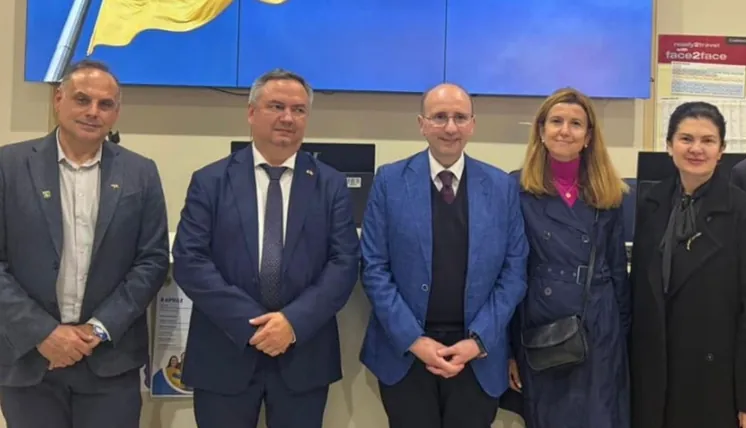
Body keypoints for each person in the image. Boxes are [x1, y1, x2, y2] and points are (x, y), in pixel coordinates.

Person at [172, 69, 360, 428]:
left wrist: (292, 323)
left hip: (302, 354)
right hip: (225, 351)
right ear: (251, 112)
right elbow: (190, 261)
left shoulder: (330, 184)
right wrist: (254, 326)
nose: (288, 118)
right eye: (276, 106)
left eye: (298, 110)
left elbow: (344, 263)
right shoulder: (211, 181)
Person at [0, 59, 170, 428]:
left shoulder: (141, 172)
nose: (93, 112)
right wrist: (43, 332)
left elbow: (152, 260)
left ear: (116, 113)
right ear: (58, 100)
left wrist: (98, 328)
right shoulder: (8, 166)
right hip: (29, 359)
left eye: (105, 104)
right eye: (82, 99)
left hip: (109, 360)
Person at [359, 83, 529, 428]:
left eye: (459, 117)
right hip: (407, 354)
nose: (450, 127)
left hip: (477, 357)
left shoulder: (502, 187)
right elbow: (374, 268)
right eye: (439, 117)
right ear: (421, 124)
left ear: (473, 125)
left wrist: (478, 340)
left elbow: (514, 273)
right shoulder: (390, 181)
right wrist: (413, 339)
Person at [630, 101, 746, 428]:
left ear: (721, 150)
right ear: (669, 145)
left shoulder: (745, 213)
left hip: (713, 378)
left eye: (708, 140)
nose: (696, 149)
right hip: (654, 373)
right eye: (686, 139)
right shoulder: (650, 203)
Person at [507, 87, 630, 428]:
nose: (565, 130)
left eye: (576, 123)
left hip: (600, 326)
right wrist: (508, 350)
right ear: (541, 130)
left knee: (602, 416)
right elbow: (508, 273)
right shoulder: (515, 189)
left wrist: (624, 336)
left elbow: (618, 272)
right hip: (543, 327)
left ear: (588, 137)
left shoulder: (609, 192)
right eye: (556, 121)